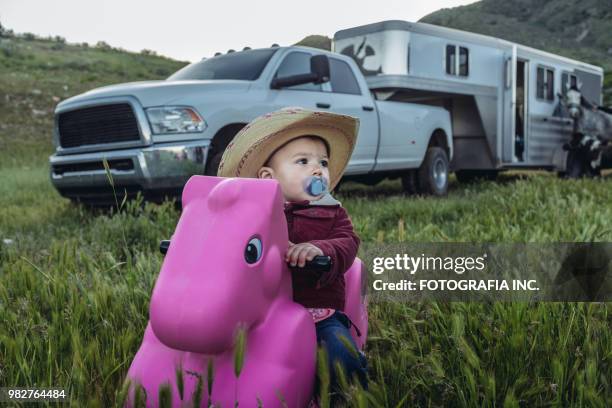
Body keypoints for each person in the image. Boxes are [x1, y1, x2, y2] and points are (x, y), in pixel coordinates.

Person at [217, 107, 368, 402]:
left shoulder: (331, 212)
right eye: (303, 161)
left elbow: (347, 242)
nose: (317, 170)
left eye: (323, 162)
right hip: (259, 311)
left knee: (338, 353)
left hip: (315, 310)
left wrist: (320, 249)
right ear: (267, 177)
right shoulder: (253, 214)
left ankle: (348, 392)